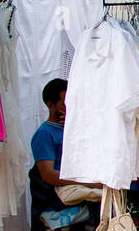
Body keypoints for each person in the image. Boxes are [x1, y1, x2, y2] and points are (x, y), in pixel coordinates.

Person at [29, 79, 102, 220]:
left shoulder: (72, 128)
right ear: (51, 105)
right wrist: (86, 182)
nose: (70, 106)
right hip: (58, 191)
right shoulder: (44, 134)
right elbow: (48, 175)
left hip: (80, 181)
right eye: (65, 102)